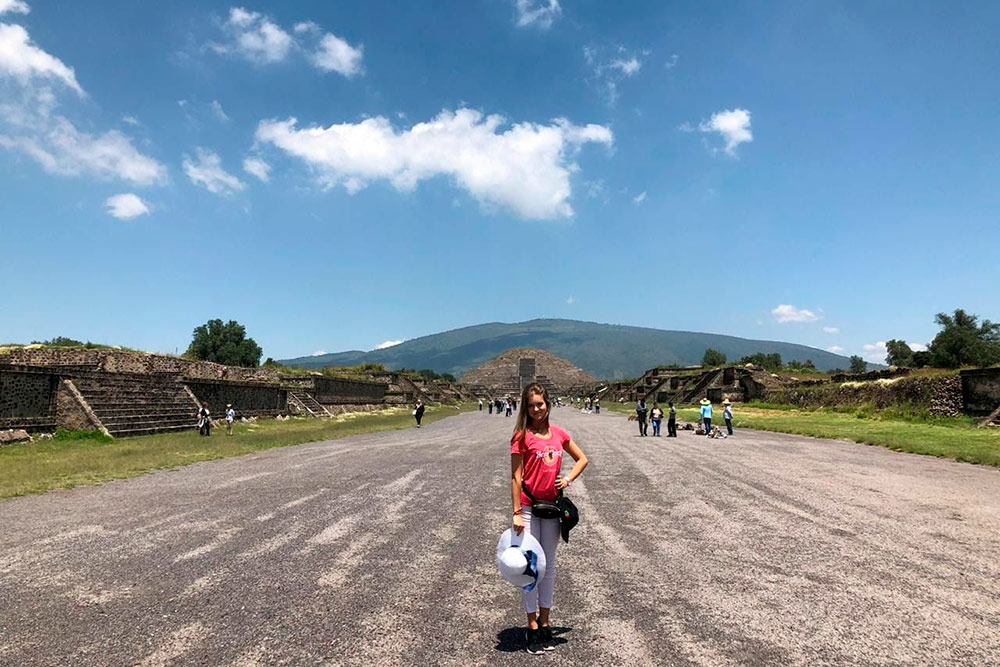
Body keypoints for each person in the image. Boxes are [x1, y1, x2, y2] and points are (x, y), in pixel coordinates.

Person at [510, 382, 589, 654]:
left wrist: (567, 478)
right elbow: (516, 477)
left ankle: (545, 622)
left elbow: (582, 459)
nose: (536, 410)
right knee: (532, 567)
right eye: (531, 406)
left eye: (540, 404)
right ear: (525, 408)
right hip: (530, 508)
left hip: (552, 508)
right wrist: (517, 512)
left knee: (550, 565)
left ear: (548, 404)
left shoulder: (559, 434)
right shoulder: (521, 436)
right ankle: (532, 626)